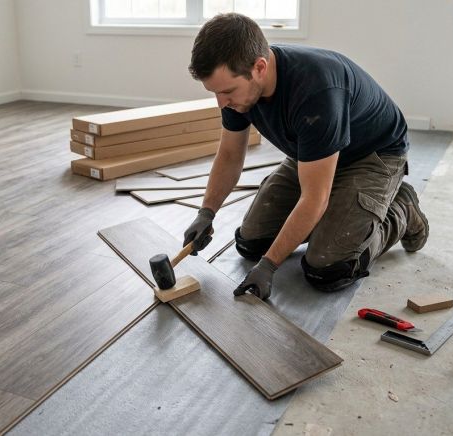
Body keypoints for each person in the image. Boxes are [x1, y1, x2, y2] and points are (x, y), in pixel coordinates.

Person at [182, 13, 429, 300]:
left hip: (371, 156)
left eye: (227, 91)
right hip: (313, 155)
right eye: (215, 93)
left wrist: (269, 266)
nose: (222, 102)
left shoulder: (315, 90)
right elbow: (228, 155)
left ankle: (401, 208)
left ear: (259, 67)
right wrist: (206, 212)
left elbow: (315, 198)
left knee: (327, 267)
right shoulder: (238, 93)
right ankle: (341, 216)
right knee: (250, 243)